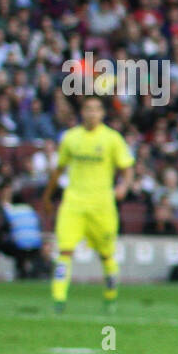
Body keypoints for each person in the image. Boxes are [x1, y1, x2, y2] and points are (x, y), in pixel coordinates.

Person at [40, 95, 134, 313]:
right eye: (88, 109)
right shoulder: (70, 138)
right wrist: (47, 197)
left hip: (102, 205)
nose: (92, 113)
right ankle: (59, 299)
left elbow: (127, 167)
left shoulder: (112, 139)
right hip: (73, 203)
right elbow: (59, 169)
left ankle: (110, 297)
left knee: (107, 254)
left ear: (102, 113)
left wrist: (124, 186)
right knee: (65, 251)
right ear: (82, 113)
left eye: (96, 109)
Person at [0, 180, 43, 279]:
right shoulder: (29, 210)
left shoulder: (12, 211)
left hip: (18, 246)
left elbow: (2, 227)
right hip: (35, 246)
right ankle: (31, 274)